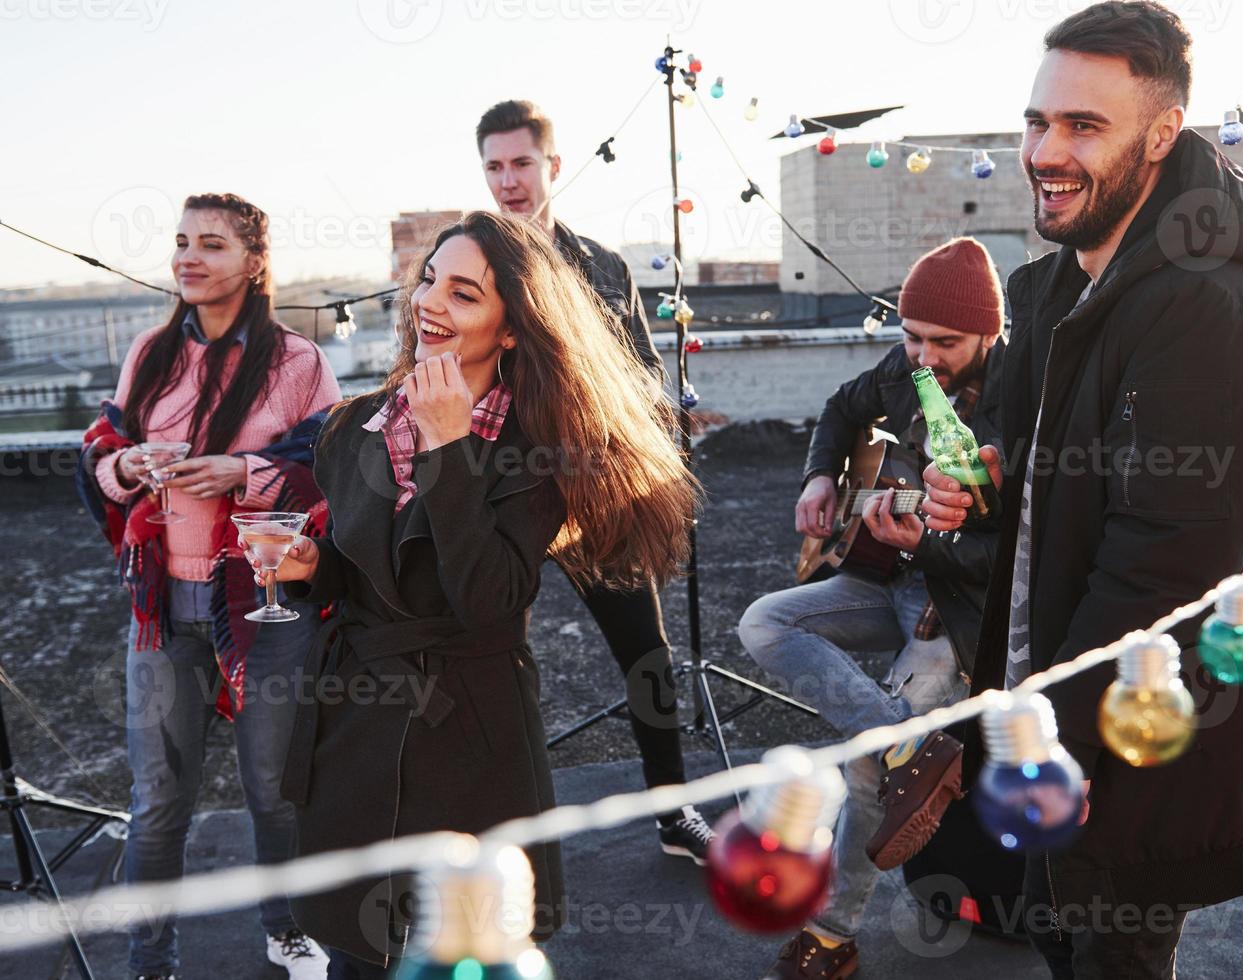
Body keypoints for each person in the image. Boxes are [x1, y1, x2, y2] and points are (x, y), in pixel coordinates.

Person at [920, 4, 1243, 978]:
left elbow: (1164, 564)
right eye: (1035, 122)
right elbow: (1035, 474)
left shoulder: (1205, 302)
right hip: (1057, 706)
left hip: (1134, 733)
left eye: (1082, 125)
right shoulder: (1054, 288)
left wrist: (1028, 736)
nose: (1044, 151)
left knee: (1106, 951)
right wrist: (976, 487)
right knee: (1057, 937)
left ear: (1161, 135)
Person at [264, 210, 701, 978]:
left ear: (510, 329)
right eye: (430, 279)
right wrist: (311, 567)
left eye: (464, 293)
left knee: (463, 953)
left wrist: (449, 445)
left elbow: (487, 599)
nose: (430, 301)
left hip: (465, 737)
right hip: (355, 726)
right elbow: (364, 575)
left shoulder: (537, 451)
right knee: (357, 955)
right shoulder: (355, 426)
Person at [77, 192, 341, 980]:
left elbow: (331, 470)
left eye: (213, 245)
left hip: (266, 610)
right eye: (183, 241)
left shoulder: (300, 361)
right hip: (161, 611)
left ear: (254, 262)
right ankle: (148, 960)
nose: (189, 257)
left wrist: (245, 472)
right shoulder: (149, 354)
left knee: (274, 788)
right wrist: (122, 467)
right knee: (158, 800)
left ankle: (286, 931)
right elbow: (103, 445)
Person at [738, 239, 1006, 978]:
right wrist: (819, 475)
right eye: (911, 337)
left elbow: (1019, 550)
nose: (924, 357)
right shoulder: (904, 368)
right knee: (763, 620)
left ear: (989, 331)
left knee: (863, 773)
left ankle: (830, 936)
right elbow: (838, 407)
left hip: (955, 608)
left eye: (945, 343)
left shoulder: (1019, 399)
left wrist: (934, 545)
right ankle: (905, 744)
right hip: (885, 575)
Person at [475, 98, 714, 860]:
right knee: (483, 665)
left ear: (552, 164)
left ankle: (674, 815)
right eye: (493, 166)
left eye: (520, 163)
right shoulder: (466, 261)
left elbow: (644, 376)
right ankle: (484, 837)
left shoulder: (603, 266)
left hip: (590, 492)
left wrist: (649, 448)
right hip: (499, 496)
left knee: (648, 654)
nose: (507, 182)